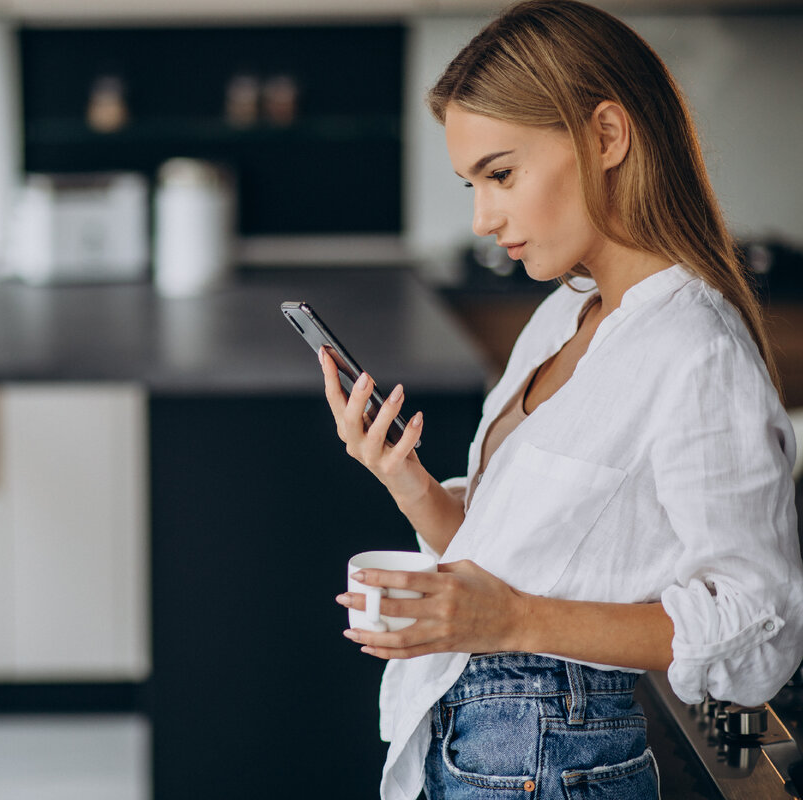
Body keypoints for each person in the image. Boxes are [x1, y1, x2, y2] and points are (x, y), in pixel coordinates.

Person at [323, 2, 803, 798]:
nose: (482, 218)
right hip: (475, 744)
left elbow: (760, 623)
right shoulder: (561, 317)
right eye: (471, 183)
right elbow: (513, 556)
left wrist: (505, 621)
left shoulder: (695, 350)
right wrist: (402, 475)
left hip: (555, 758)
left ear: (607, 136)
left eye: (501, 174)